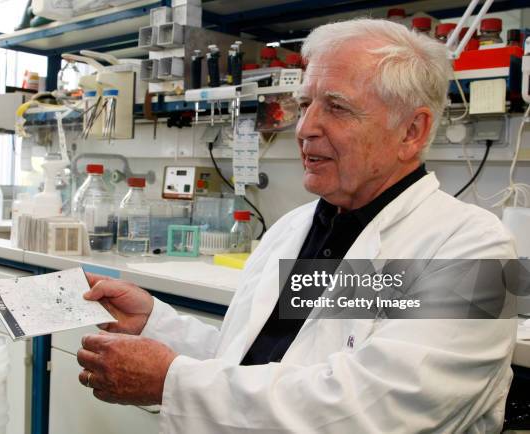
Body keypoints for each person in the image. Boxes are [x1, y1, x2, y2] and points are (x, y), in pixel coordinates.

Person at [77, 18, 517, 432]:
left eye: (337, 108)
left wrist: (172, 381)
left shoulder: (470, 250)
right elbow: (261, 362)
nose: (305, 128)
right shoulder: (299, 228)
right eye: (305, 104)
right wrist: (156, 324)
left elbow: (373, 411)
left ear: (411, 132)